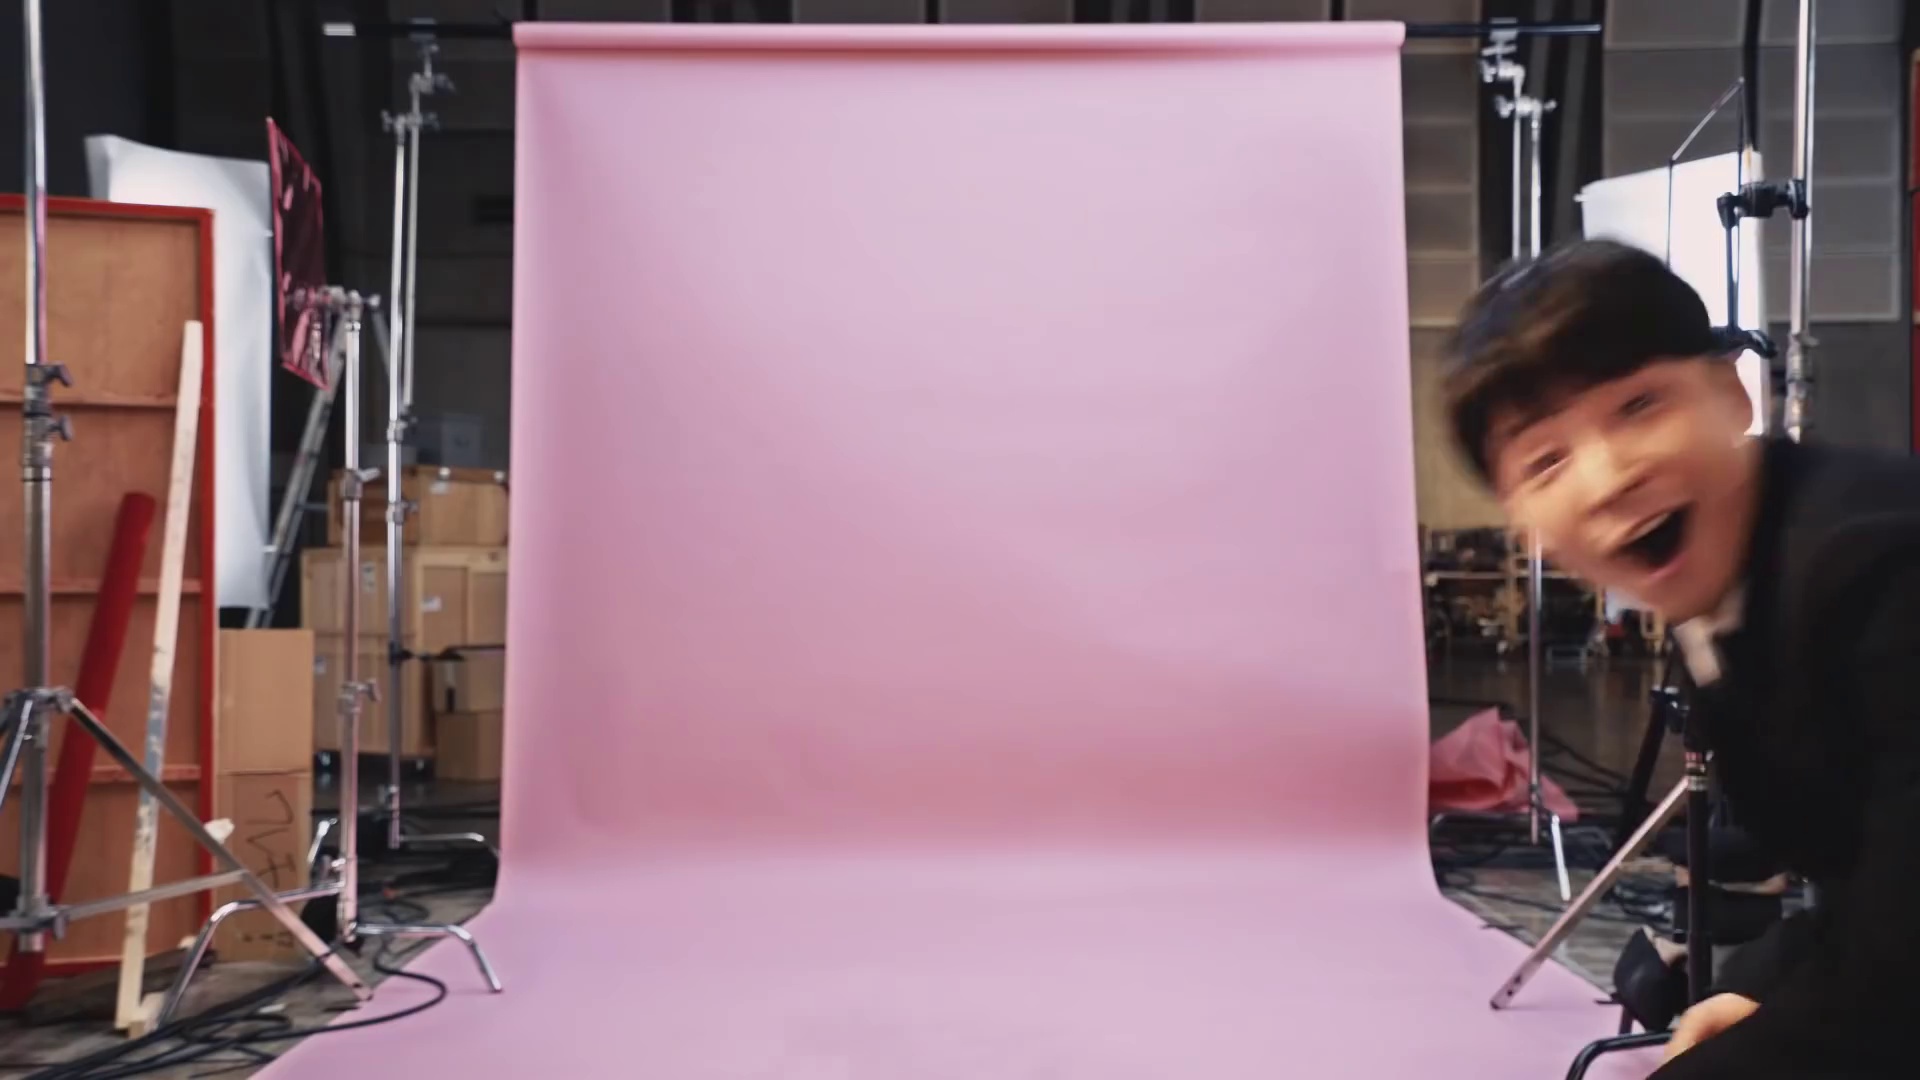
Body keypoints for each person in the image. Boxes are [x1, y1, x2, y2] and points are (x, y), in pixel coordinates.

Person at [1442, 239, 1920, 1078]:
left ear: (1732, 394)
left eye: (1639, 406)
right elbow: (1871, 884)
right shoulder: (1728, 579)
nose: (1609, 478)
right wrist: (1766, 988)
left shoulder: (1879, 565)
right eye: (1547, 461)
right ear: (1523, 524)